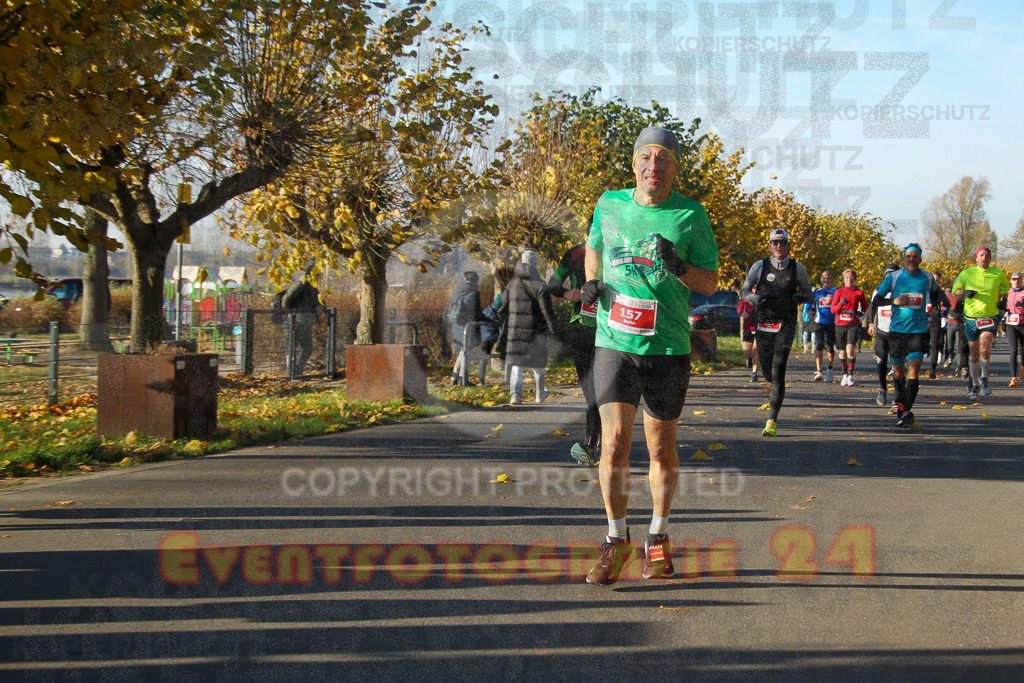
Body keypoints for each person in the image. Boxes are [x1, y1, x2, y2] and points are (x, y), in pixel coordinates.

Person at [581, 126, 719, 585]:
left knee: (661, 447)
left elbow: (709, 283)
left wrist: (679, 267)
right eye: (646, 159)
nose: (653, 167)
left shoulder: (691, 215)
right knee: (615, 442)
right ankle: (615, 539)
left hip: (668, 345)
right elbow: (594, 249)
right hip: (614, 341)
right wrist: (591, 282)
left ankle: (657, 537)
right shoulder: (609, 204)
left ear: (674, 168)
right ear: (634, 165)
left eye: (662, 160)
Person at [741, 229, 812, 437]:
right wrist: (755, 299)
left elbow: (808, 293)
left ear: (788, 245)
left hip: (785, 323)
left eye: (782, 242)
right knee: (767, 370)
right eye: (775, 243)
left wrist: (799, 299)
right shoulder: (760, 266)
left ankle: (771, 419)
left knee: (779, 368)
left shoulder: (797, 268)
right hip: (764, 322)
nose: (779, 246)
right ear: (769, 245)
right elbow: (744, 291)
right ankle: (771, 383)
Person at [871, 244, 941, 427]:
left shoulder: (927, 277)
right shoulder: (894, 277)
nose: (911, 259)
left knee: (914, 369)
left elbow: (937, 294)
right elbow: (876, 300)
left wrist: (935, 307)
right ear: (904, 259)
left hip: (918, 331)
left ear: (920, 259)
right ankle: (901, 406)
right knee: (899, 371)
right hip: (897, 330)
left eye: (915, 256)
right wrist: (893, 300)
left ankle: (906, 410)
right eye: (908, 256)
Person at [547, 242, 601, 466]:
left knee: (609, 393)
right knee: (593, 393)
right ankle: (591, 445)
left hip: (613, 331)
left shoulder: (620, 250)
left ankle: (602, 444)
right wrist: (569, 293)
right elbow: (552, 285)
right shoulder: (575, 254)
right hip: (582, 327)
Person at [499, 250, 557, 405]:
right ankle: (539, 395)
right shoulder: (540, 284)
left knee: (517, 364)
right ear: (535, 264)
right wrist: (553, 329)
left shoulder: (513, 283)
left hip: (514, 329)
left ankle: (515, 396)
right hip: (535, 330)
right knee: (538, 364)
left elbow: (503, 302)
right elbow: (547, 311)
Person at [952, 246, 1010, 400]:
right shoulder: (967, 274)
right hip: (971, 318)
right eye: (981, 255)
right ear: (976, 258)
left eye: (987, 255)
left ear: (990, 258)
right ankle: (975, 384)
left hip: (990, 316)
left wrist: (1003, 297)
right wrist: (965, 292)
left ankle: (984, 378)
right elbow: (954, 290)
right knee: (974, 353)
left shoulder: (998, 274)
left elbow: (1006, 285)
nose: (984, 258)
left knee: (985, 347)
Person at [866, 263, 899, 408]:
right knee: (881, 363)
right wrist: (871, 324)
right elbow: (872, 306)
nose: (889, 277)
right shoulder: (879, 290)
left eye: (892, 275)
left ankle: (898, 396)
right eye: (887, 275)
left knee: (898, 366)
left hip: (898, 332)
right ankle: (882, 389)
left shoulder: (902, 291)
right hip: (882, 331)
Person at [830, 269, 867, 386]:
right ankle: (844, 374)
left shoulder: (859, 293)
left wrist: (860, 314)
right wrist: (841, 303)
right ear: (843, 279)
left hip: (853, 324)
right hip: (840, 325)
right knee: (842, 352)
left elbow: (865, 308)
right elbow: (833, 310)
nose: (849, 280)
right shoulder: (839, 292)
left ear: (855, 279)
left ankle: (850, 375)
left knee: (850, 348)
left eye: (851, 278)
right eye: (846, 278)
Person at [282, 266, 322, 374]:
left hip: (306, 321)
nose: (319, 277)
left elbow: (316, 301)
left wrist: (320, 306)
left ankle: (297, 371)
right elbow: (286, 299)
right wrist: (292, 314)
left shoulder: (312, 286)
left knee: (308, 347)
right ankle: (290, 374)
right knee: (292, 347)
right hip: (296, 320)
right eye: (318, 274)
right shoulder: (301, 284)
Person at [449, 271, 485, 386]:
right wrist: (485, 320)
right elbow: (476, 310)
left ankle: (454, 377)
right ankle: (463, 380)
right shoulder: (473, 292)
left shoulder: (459, 289)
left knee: (462, 351)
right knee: (466, 352)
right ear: (475, 280)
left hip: (457, 324)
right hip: (467, 325)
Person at [805, 270, 837, 382]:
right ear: (821, 279)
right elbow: (809, 303)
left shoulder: (835, 291)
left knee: (830, 347)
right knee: (818, 345)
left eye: (828, 278)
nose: (826, 280)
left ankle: (830, 369)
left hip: (832, 322)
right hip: (820, 321)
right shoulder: (817, 291)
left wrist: (833, 300)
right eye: (824, 278)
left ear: (831, 279)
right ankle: (819, 371)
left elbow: (841, 303)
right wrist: (809, 311)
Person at [925, 273, 951, 379]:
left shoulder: (940, 292)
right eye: (933, 280)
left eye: (937, 281)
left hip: (935, 321)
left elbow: (947, 304)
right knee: (921, 344)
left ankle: (933, 369)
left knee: (935, 345)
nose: (935, 282)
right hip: (922, 321)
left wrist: (943, 311)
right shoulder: (923, 291)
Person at [1006, 272, 1024, 387]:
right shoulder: (1008, 292)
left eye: (1018, 279)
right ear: (1011, 280)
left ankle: (1022, 368)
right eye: (1014, 279)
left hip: (1023, 324)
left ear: (1021, 280)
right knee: (1013, 350)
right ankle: (1013, 378)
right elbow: (1005, 306)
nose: (1016, 281)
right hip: (1011, 324)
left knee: (1023, 351)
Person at [737, 297, 759, 382]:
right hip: (748, 327)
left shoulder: (762, 294)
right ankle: (749, 358)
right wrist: (742, 313)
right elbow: (739, 309)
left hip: (759, 327)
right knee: (746, 351)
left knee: (756, 351)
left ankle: (754, 374)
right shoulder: (746, 297)